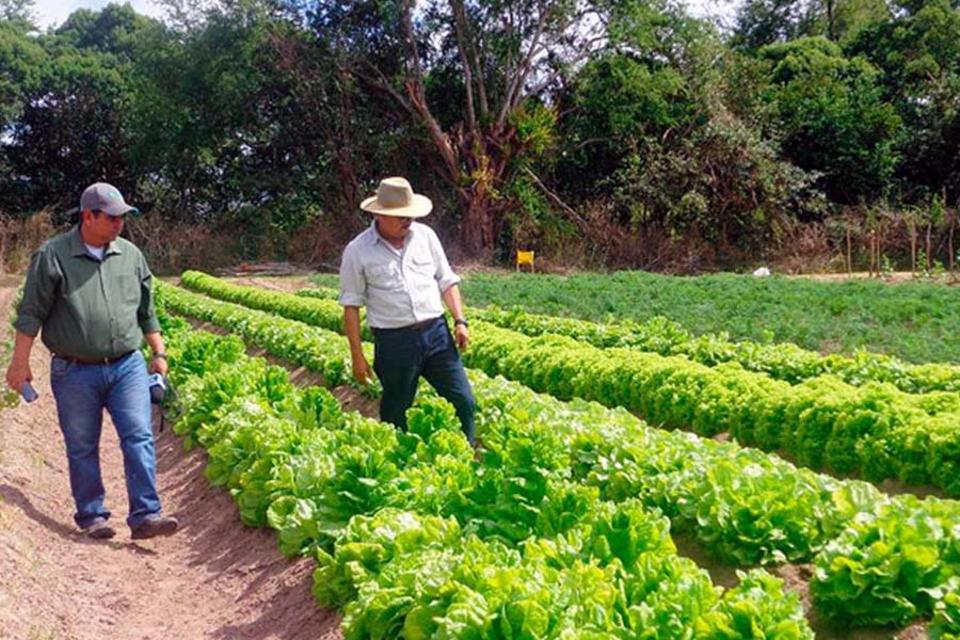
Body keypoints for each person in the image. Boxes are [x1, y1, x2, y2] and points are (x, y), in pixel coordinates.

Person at [5, 182, 179, 541]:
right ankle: (92, 515)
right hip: (74, 369)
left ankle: (146, 514)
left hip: (127, 364)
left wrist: (158, 353)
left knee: (139, 435)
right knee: (82, 443)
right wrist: (18, 363)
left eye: (122, 218)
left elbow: (147, 312)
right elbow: (31, 313)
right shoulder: (53, 256)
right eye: (112, 217)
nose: (119, 224)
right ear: (88, 216)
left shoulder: (131, 256)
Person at [339, 177, 477, 445]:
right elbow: (351, 306)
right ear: (380, 214)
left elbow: (447, 280)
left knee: (464, 401)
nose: (408, 220)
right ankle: (399, 466)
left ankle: (466, 457)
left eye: (410, 214)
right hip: (394, 343)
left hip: (437, 334)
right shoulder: (358, 250)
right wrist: (357, 355)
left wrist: (460, 321)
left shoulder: (426, 237)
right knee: (396, 411)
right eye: (401, 216)